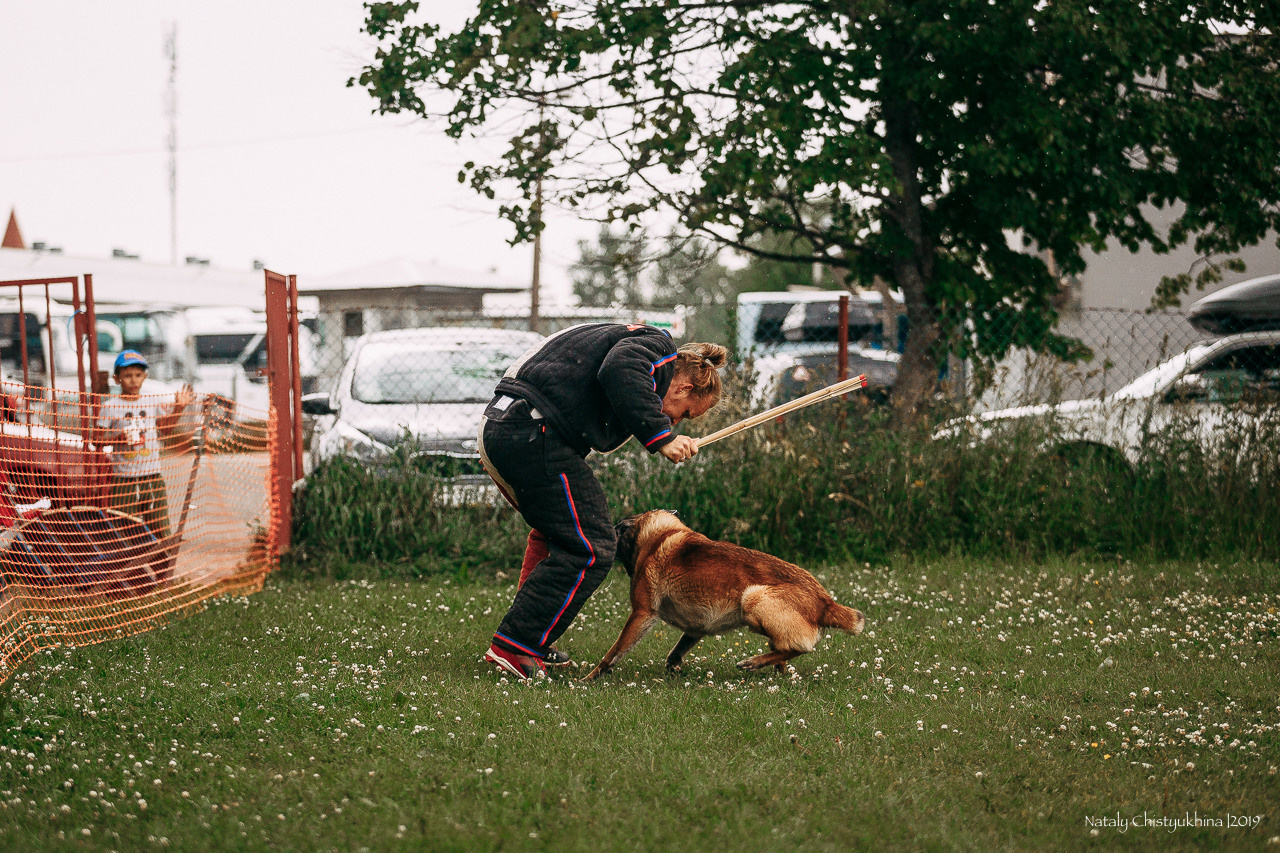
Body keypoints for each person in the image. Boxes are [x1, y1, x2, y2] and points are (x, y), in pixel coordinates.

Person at [477, 322, 727, 679]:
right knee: (591, 547)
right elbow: (619, 369)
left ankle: (530, 639)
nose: (676, 420)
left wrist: (661, 431)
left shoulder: (635, 340)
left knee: (558, 535)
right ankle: (516, 644)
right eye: (685, 412)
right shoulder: (659, 347)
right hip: (532, 432)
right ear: (684, 385)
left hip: (507, 426)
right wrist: (662, 436)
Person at [94, 350, 194, 546]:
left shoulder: (151, 400)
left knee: (159, 523)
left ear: (145, 377)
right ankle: (127, 567)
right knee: (122, 525)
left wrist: (179, 408)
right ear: (117, 378)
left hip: (152, 474)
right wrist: (118, 439)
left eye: (138, 375)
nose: (133, 381)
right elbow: (96, 439)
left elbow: (165, 428)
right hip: (124, 478)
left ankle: (163, 565)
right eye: (128, 375)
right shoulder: (110, 406)